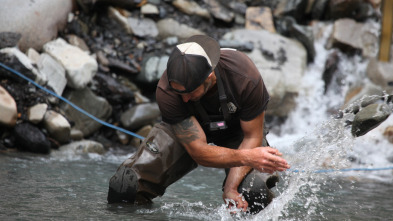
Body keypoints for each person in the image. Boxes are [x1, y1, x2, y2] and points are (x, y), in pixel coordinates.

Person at [107, 35, 290, 214]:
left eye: (190, 92)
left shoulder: (244, 76)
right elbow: (199, 152)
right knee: (125, 185)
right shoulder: (168, 90)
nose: (184, 99)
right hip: (186, 132)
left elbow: (252, 136)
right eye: (180, 93)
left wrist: (230, 187)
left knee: (254, 191)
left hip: (239, 133)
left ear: (210, 77)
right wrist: (248, 158)